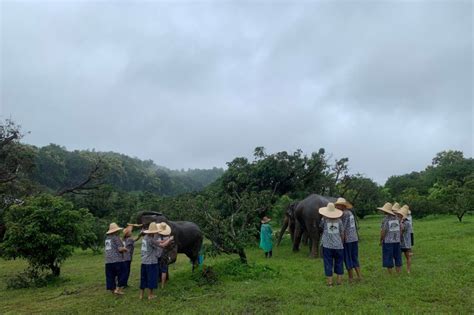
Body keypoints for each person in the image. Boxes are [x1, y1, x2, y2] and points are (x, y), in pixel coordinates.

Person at [318, 202, 345, 286]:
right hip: (338, 246)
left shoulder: (324, 220)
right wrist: (341, 242)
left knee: (328, 263)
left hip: (327, 246)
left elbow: (320, 227)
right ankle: (339, 282)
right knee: (339, 262)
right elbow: (342, 233)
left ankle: (330, 283)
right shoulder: (339, 221)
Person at [335, 197, 361, 282]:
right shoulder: (350, 213)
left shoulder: (344, 214)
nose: (337, 207)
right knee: (354, 257)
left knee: (348, 258)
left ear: (342, 206)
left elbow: (343, 228)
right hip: (354, 238)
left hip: (347, 240)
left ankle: (351, 278)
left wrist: (341, 240)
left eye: (338, 205)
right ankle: (359, 276)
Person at [378, 202, 403, 274]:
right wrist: (399, 237)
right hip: (397, 241)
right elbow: (401, 229)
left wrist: (381, 239)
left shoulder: (385, 219)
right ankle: (398, 272)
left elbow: (383, 231)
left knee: (388, 257)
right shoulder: (397, 218)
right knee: (397, 256)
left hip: (388, 241)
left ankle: (390, 274)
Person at [105, 223, 128, 295]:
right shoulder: (116, 237)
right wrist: (125, 249)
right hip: (117, 260)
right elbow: (120, 249)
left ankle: (113, 290)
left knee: (110, 276)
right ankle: (119, 289)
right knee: (123, 273)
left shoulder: (107, 239)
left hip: (108, 261)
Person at [139, 222, 161, 300]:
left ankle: (141, 295)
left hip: (144, 261)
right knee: (151, 278)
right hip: (151, 262)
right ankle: (150, 295)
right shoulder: (151, 239)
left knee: (143, 278)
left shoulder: (145, 237)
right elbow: (160, 246)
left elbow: (156, 243)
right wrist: (169, 240)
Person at [155, 222, 173, 289]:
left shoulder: (155, 236)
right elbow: (163, 245)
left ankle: (157, 282)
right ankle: (162, 284)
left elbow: (160, 242)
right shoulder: (165, 237)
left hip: (156, 255)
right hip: (163, 255)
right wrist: (169, 239)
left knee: (157, 269)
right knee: (164, 270)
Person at [399, 205, 413, 273]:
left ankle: (407, 270)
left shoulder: (406, 223)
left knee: (406, 257)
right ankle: (407, 270)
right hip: (407, 242)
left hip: (403, 242)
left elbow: (401, 232)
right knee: (407, 257)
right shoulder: (407, 221)